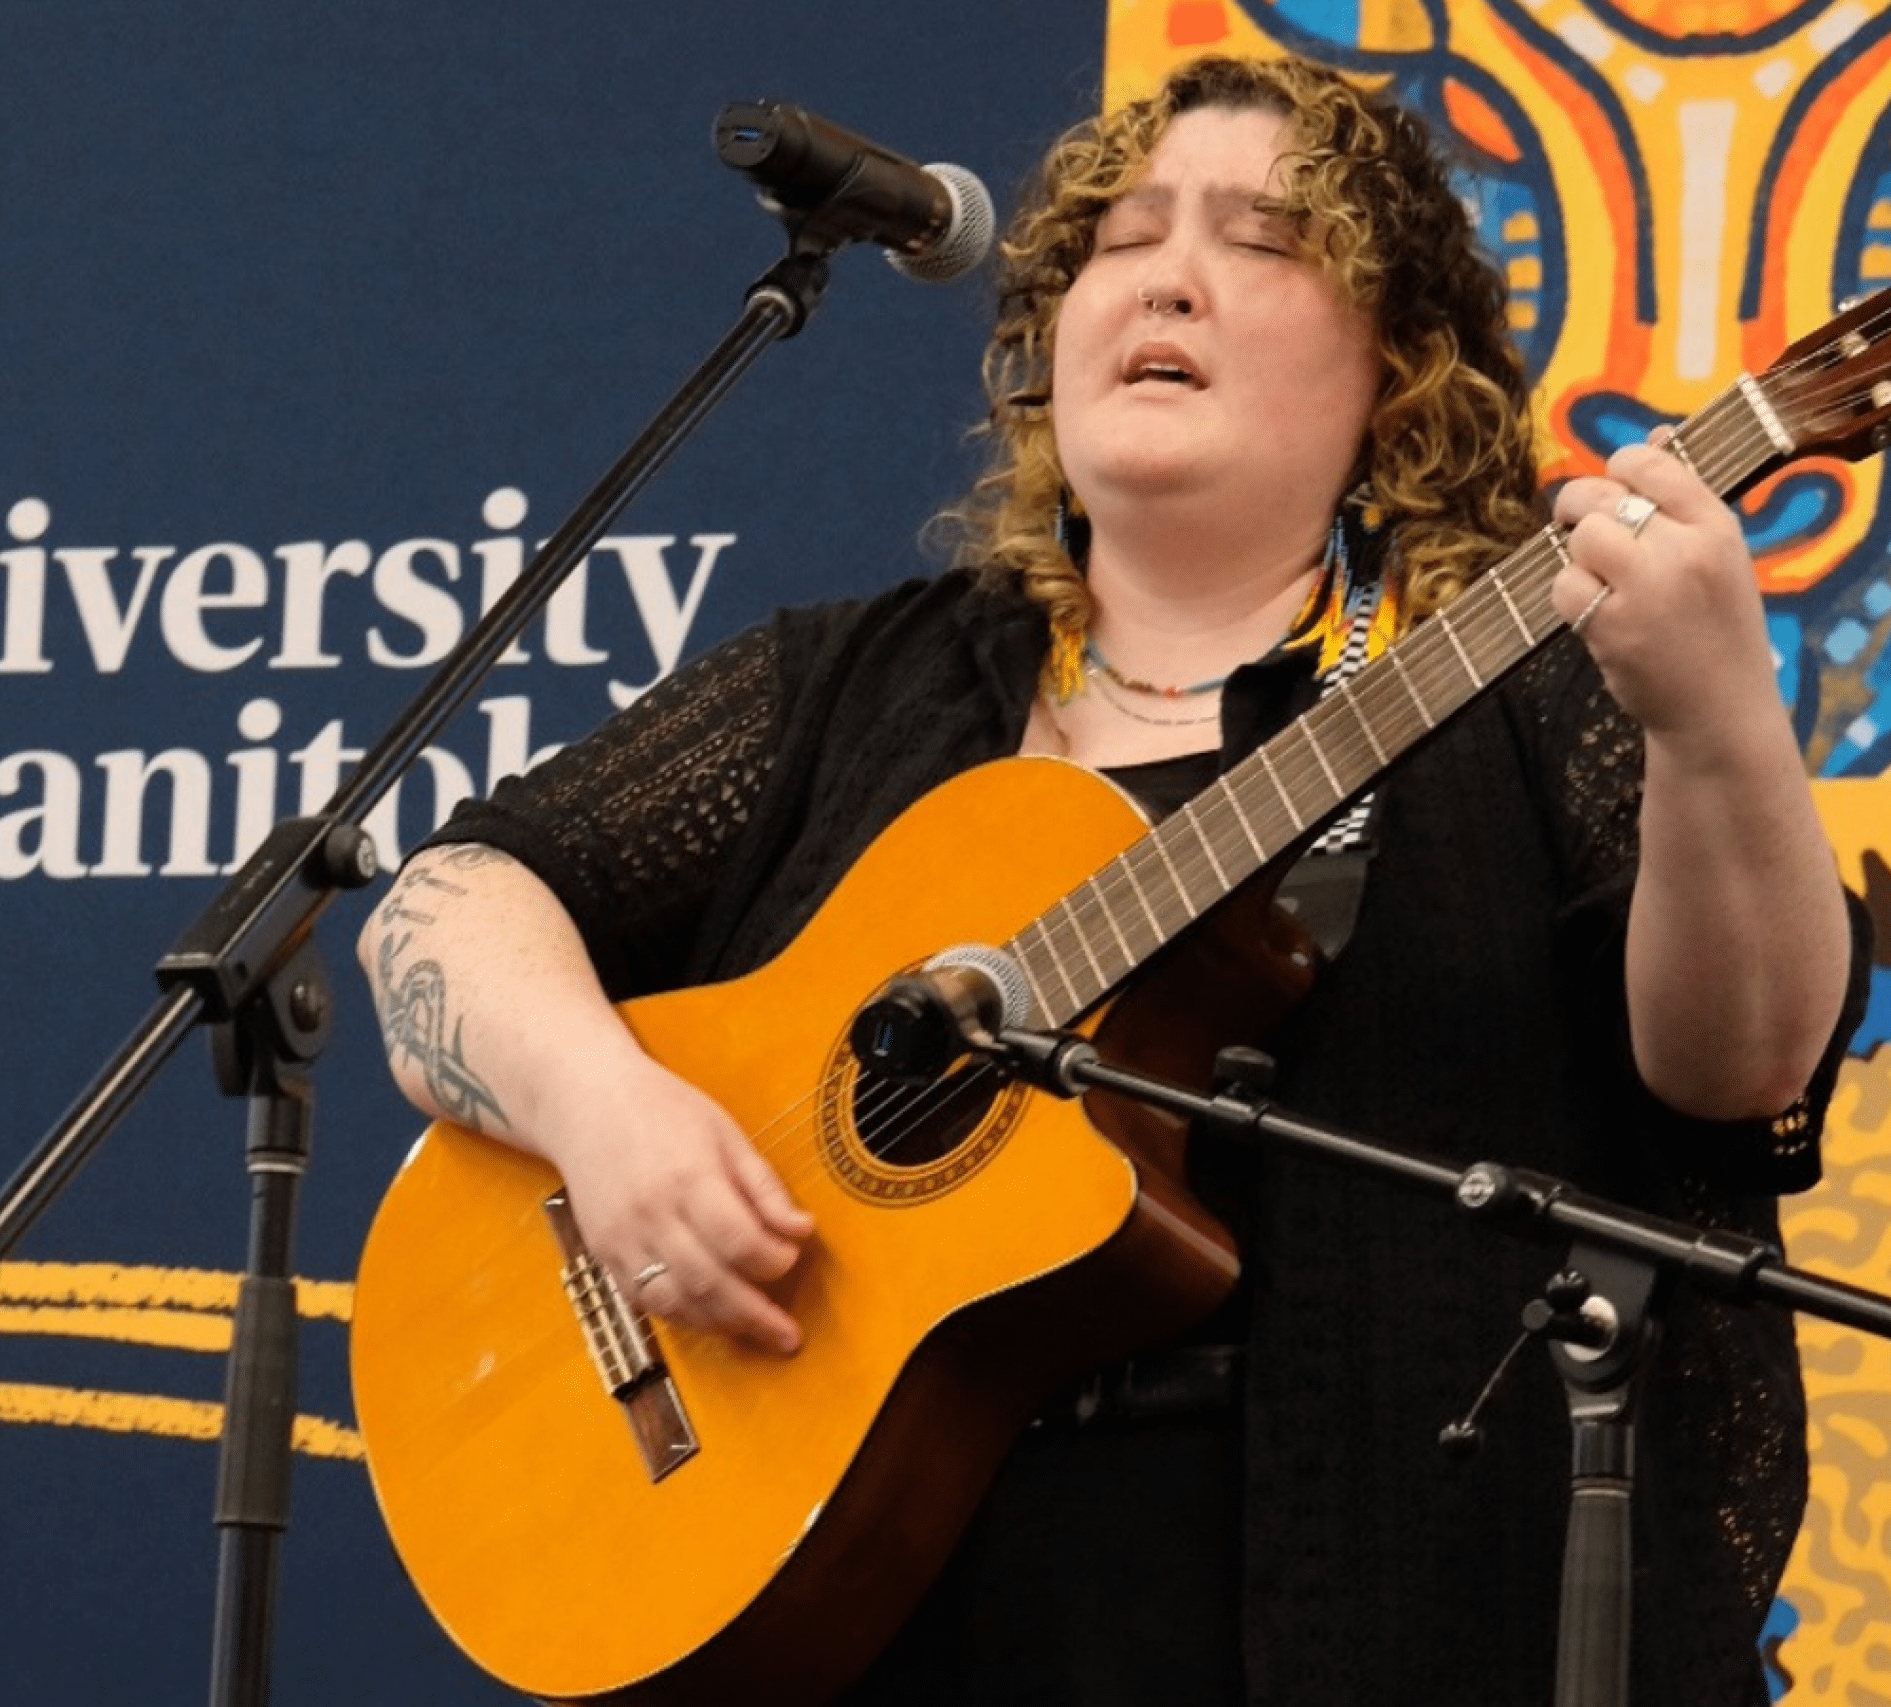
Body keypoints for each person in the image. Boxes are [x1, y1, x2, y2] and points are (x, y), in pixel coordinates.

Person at [357, 52, 1867, 1706]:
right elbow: (451, 900)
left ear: (1396, 370)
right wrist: (607, 1116)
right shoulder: (858, 686)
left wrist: (1717, 720)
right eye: (1118, 240)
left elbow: (1739, 1065)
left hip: (1400, 1612)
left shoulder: (1534, 684)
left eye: (1265, 241)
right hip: (903, 1621)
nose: (1165, 274)